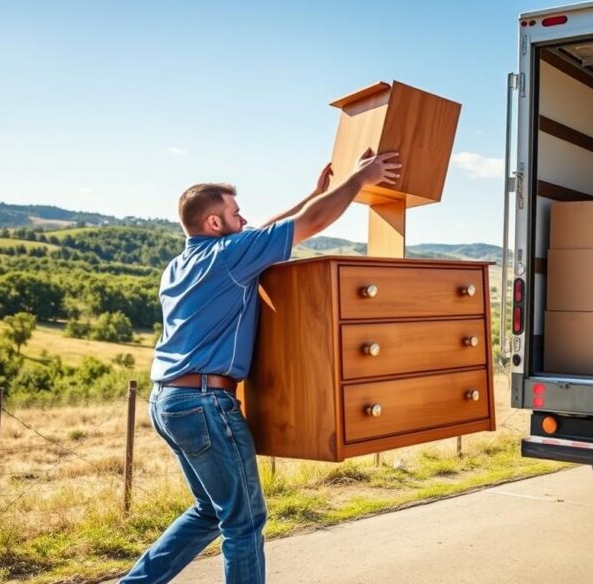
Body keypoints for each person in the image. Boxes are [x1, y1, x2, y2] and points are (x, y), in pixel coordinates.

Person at [120, 148, 401, 583]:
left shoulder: (180, 265)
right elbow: (311, 225)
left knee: (211, 512)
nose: (244, 219)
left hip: (169, 402)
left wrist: (312, 193)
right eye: (236, 213)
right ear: (214, 224)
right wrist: (359, 180)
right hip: (204, 402)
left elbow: (265, 231)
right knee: (243, 520)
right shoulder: (230, 257)